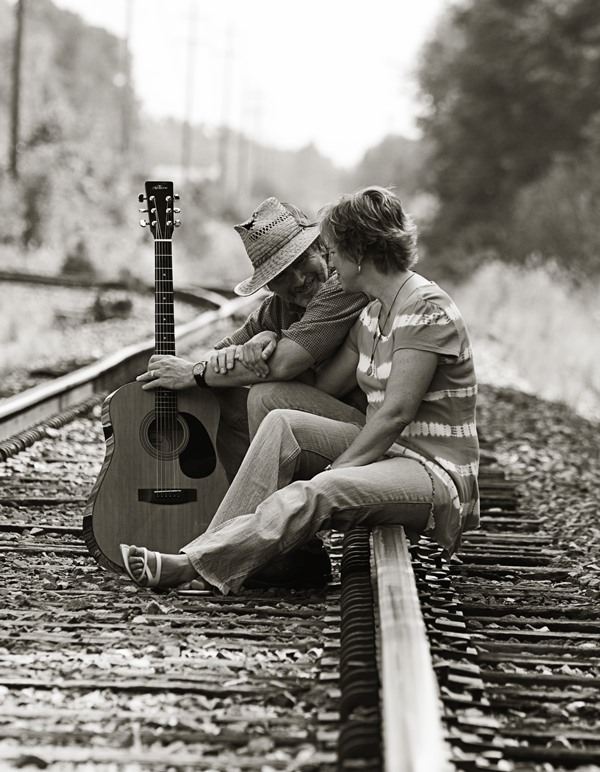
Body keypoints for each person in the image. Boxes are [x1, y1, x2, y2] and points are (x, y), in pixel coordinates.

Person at [122, 186, 480, 595]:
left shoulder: (424, 308)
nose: (331, 264)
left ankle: (195, 564)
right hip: (392, 451)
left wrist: (335, 469)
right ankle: (213, 553)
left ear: (358, 253)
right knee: (279, 422)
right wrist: (265, 342)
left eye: (333, 251)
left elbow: (394, 414)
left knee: (322, 489)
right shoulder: (374, 313)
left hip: (431, 471)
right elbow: (316, 387)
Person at [137, 196, 368, 485]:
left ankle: (261, 512)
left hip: (364, 431)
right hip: (310, 427)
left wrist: (195, 372)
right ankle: (240, 500)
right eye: (281, 274)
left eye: (301, 261)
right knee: (210, 395)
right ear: (269, 285)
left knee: (265, 395)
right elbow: (213, 356)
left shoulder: (343, 287)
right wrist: (231, 354)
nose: (297, 280)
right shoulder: (277, 308)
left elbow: (284, 364)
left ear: (321, 248)